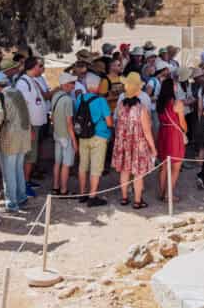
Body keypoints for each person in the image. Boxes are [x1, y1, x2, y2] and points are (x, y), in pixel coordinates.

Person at [111, 72, 155, 209]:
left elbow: (117, 124)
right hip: (138, 144)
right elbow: (147, 132)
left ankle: (124, 198)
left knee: (124, 171)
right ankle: (137, 201)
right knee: (138, 173)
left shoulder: (120, 108)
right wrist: (153, 148)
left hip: (123, 143)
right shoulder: (141, 110)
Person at [0, 72, 32, 212]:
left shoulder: (1, 96)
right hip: (23, 134)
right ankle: (21, 197)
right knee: (18, 168)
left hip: (9, 136)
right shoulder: (18, 92)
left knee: (9, 171)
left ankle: (12, 202)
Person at [76, 72, 114, 207]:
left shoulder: (79, 98)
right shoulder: (101, 101)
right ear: (97, 86)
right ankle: (92, 196)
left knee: (83, 165)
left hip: (83, 135)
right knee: (96, 168)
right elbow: (109, 122)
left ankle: (82, 193)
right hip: (99, 136)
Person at [16, 56, 51, 186]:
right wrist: (29, 126)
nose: (41, 68)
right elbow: (22, 107)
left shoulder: (32, 80)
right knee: (29, 156)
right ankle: (24, 183)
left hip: (36, 124)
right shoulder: (23, 83)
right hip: (29, 126)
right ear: (34, 66)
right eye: (40, 65)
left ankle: (27, 180)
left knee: (32, 155)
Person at [156, 78, 187, 202]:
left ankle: (162, 192)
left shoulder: (160, 102)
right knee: (175, 166)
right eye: (175, 85)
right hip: (174, 135)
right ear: (172, 87)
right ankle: (169, 195)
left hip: (163, 132)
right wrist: (184, 130)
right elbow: (183, 124)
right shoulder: (177, 103)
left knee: (163, 166)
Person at [50, 73, 78, 196]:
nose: (74, 85)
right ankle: (64, 190)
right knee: (66, 165)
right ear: (65, 84)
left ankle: (56, 187)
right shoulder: (67, 100)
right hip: (66, 136)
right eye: (72, 83)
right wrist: (74, 142)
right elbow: (69, 123)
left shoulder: (55, 96)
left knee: (57, 163)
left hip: (57, 134)